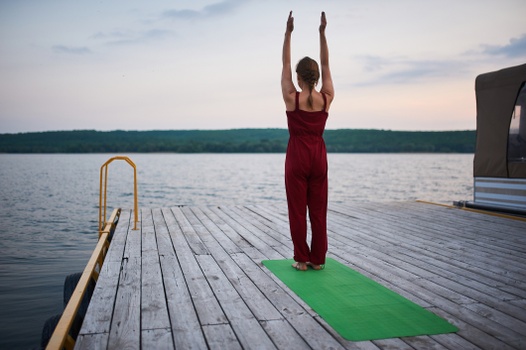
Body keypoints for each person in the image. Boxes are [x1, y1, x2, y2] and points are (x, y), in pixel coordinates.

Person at [281, 11, 334, 271]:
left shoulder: (292, 97)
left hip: (297, 157)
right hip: (318, 157)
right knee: (318, 210)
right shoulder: (327, 97)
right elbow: (326, 65)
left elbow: (284, 64)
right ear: (316, 77)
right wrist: (322, 33)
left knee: (298, 210)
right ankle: (317, 260)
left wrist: (288, 33)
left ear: (299, 77)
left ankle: (301, 260)